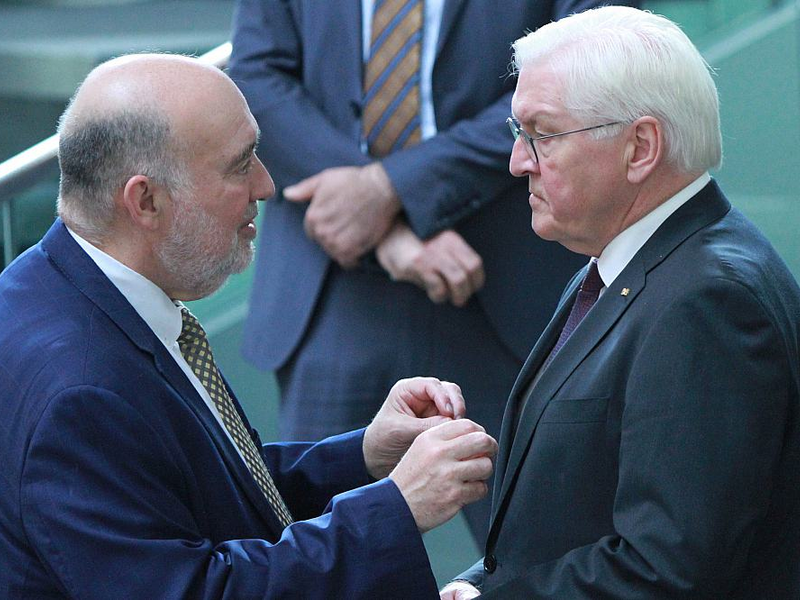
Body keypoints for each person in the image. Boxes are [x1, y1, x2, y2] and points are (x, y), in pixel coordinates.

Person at [0, 54, 499, 599]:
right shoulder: (81, 390)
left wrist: (363, 457)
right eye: (240, 164)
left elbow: (204, 489)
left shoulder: (60, 290)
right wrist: (396, 510)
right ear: (146, 200)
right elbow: (193, 590)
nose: (267, 184)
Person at [227, 0, 636, 542]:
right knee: (311, 550)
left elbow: (593, 69)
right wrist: (384, 226)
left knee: (548, 551)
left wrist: (390, 189)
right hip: (331, 294)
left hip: (510, 291)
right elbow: (255, 78)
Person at [441, 6, 800, 598]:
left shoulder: (707, 301)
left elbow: (669, 567)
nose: (517, 160)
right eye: (517, 132)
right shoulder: (625, 262)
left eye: (542, 134)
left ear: (640, 147)